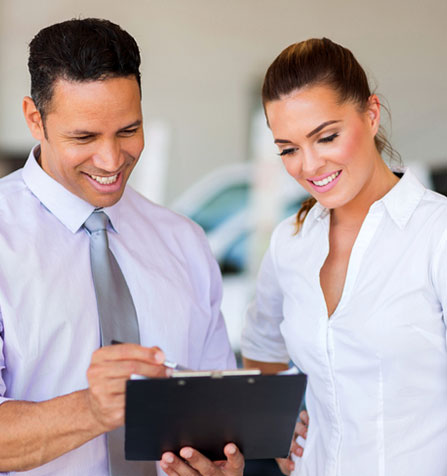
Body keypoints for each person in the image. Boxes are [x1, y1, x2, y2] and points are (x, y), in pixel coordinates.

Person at [0, 18, 244, 476]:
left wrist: (221, 465)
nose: (111, 161)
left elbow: (219, 421)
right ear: (35, 119)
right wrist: (94, 410)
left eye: (128, 130)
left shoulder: (183, 242)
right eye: (84, 137)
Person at [241, 38, 447, 476]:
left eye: (327, 137)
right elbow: (261, 352)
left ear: (371, 115)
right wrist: (275, 427)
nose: (310, 165)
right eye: (288, 149)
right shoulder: (290, 243)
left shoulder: (437, 234)